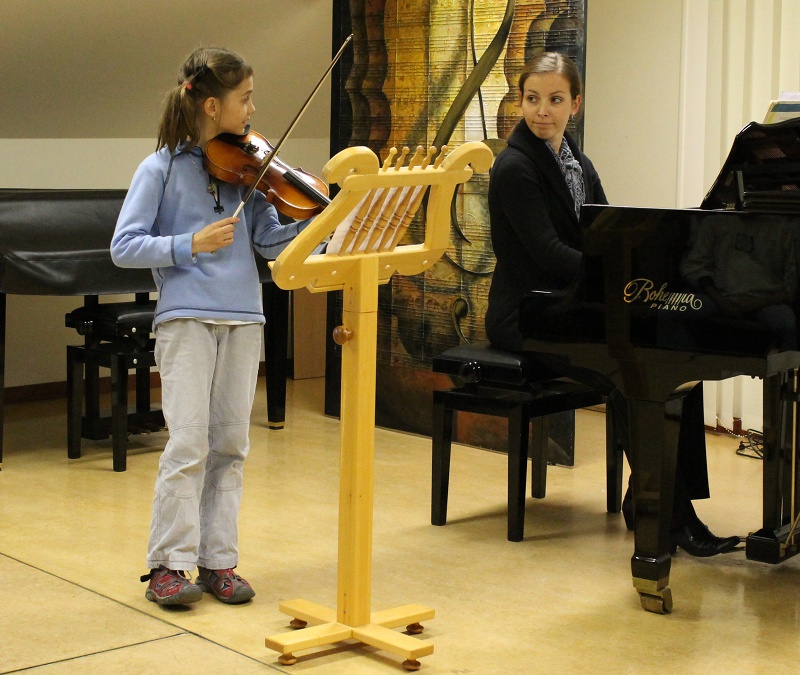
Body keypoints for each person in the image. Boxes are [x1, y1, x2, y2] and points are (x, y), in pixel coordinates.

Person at [485, 51, 740, 557]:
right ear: (520, 101)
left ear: (575, 104)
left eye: (555, 100)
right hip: (527, 314)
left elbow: (606, 230)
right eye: (532, 99)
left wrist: (642, 264)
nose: (542, 111)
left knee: (678, 362)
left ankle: (664, 500)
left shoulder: (577, 163)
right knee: (634, 369)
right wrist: (617, 277)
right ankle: (666, 514)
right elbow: (549, 254)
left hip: (571, 308)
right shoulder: (514, 167)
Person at [111, 46, 315, 605]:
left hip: (245, 317)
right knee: (188, 443)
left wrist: (317, 220)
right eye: (244, 99)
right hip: (186, 319)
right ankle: (167, 565)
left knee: (231, 444)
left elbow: (269, 241)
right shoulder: (159, 168)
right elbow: (124, 246)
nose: (252, 109)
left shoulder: (248, 171)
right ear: (210, 105)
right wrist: (189, 244)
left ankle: (217, 561)